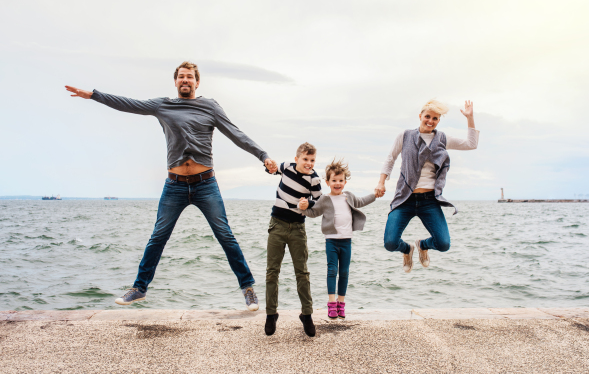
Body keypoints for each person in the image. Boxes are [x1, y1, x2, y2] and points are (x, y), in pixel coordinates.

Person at [65, 61, 278, 309]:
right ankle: (139, 288)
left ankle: (248, 289)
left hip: (205, 184)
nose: (185, 80)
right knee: (158, 237)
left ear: (197, 82)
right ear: (175, 81)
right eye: (181, 77)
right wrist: (93, 95)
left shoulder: (210, 107)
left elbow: (235, 133)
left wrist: (263, 155)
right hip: (174, 185)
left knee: (225, 236)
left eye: (190, 77)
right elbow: (128, 104)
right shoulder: (162, 105)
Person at [375, 100, 479, 273]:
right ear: (420, 116)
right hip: (405, 198)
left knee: (444, 244)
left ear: (439, 121)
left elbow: (471, 144)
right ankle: (407, 249)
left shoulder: (443, 139)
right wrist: (381, 182)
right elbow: (390, 158)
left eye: (435, 118)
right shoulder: (405, 136)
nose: (430, 121)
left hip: (429, 201)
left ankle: (422, 245)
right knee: (390, 243)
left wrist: (470, 117)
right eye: (427, 116)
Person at [298, 159, 378, 319]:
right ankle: (331, 303)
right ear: (327, 182)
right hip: (331, 241)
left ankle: (341, 304)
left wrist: (375, 195)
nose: (337, 183)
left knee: (344, 272)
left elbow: (362, 202)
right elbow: (314, 213)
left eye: (340, 180)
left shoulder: (349, 197)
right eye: (334, 180)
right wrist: (304, 208)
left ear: (345, 182)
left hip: (347, 241)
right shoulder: (325, 199)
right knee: (332, 270)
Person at [263, 142, 322, 337]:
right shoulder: (287, 166)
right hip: (277, 225)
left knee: (302, 273)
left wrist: (309, 203)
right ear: (297, 159)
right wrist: (269, 165)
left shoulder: (314, 179)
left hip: (297, 228)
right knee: (272, 272)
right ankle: (271, 314)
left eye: (312, 160)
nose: (309, 163)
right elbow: (271, 170)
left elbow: (321, 203)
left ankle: (307, 315)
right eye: (305, 159)